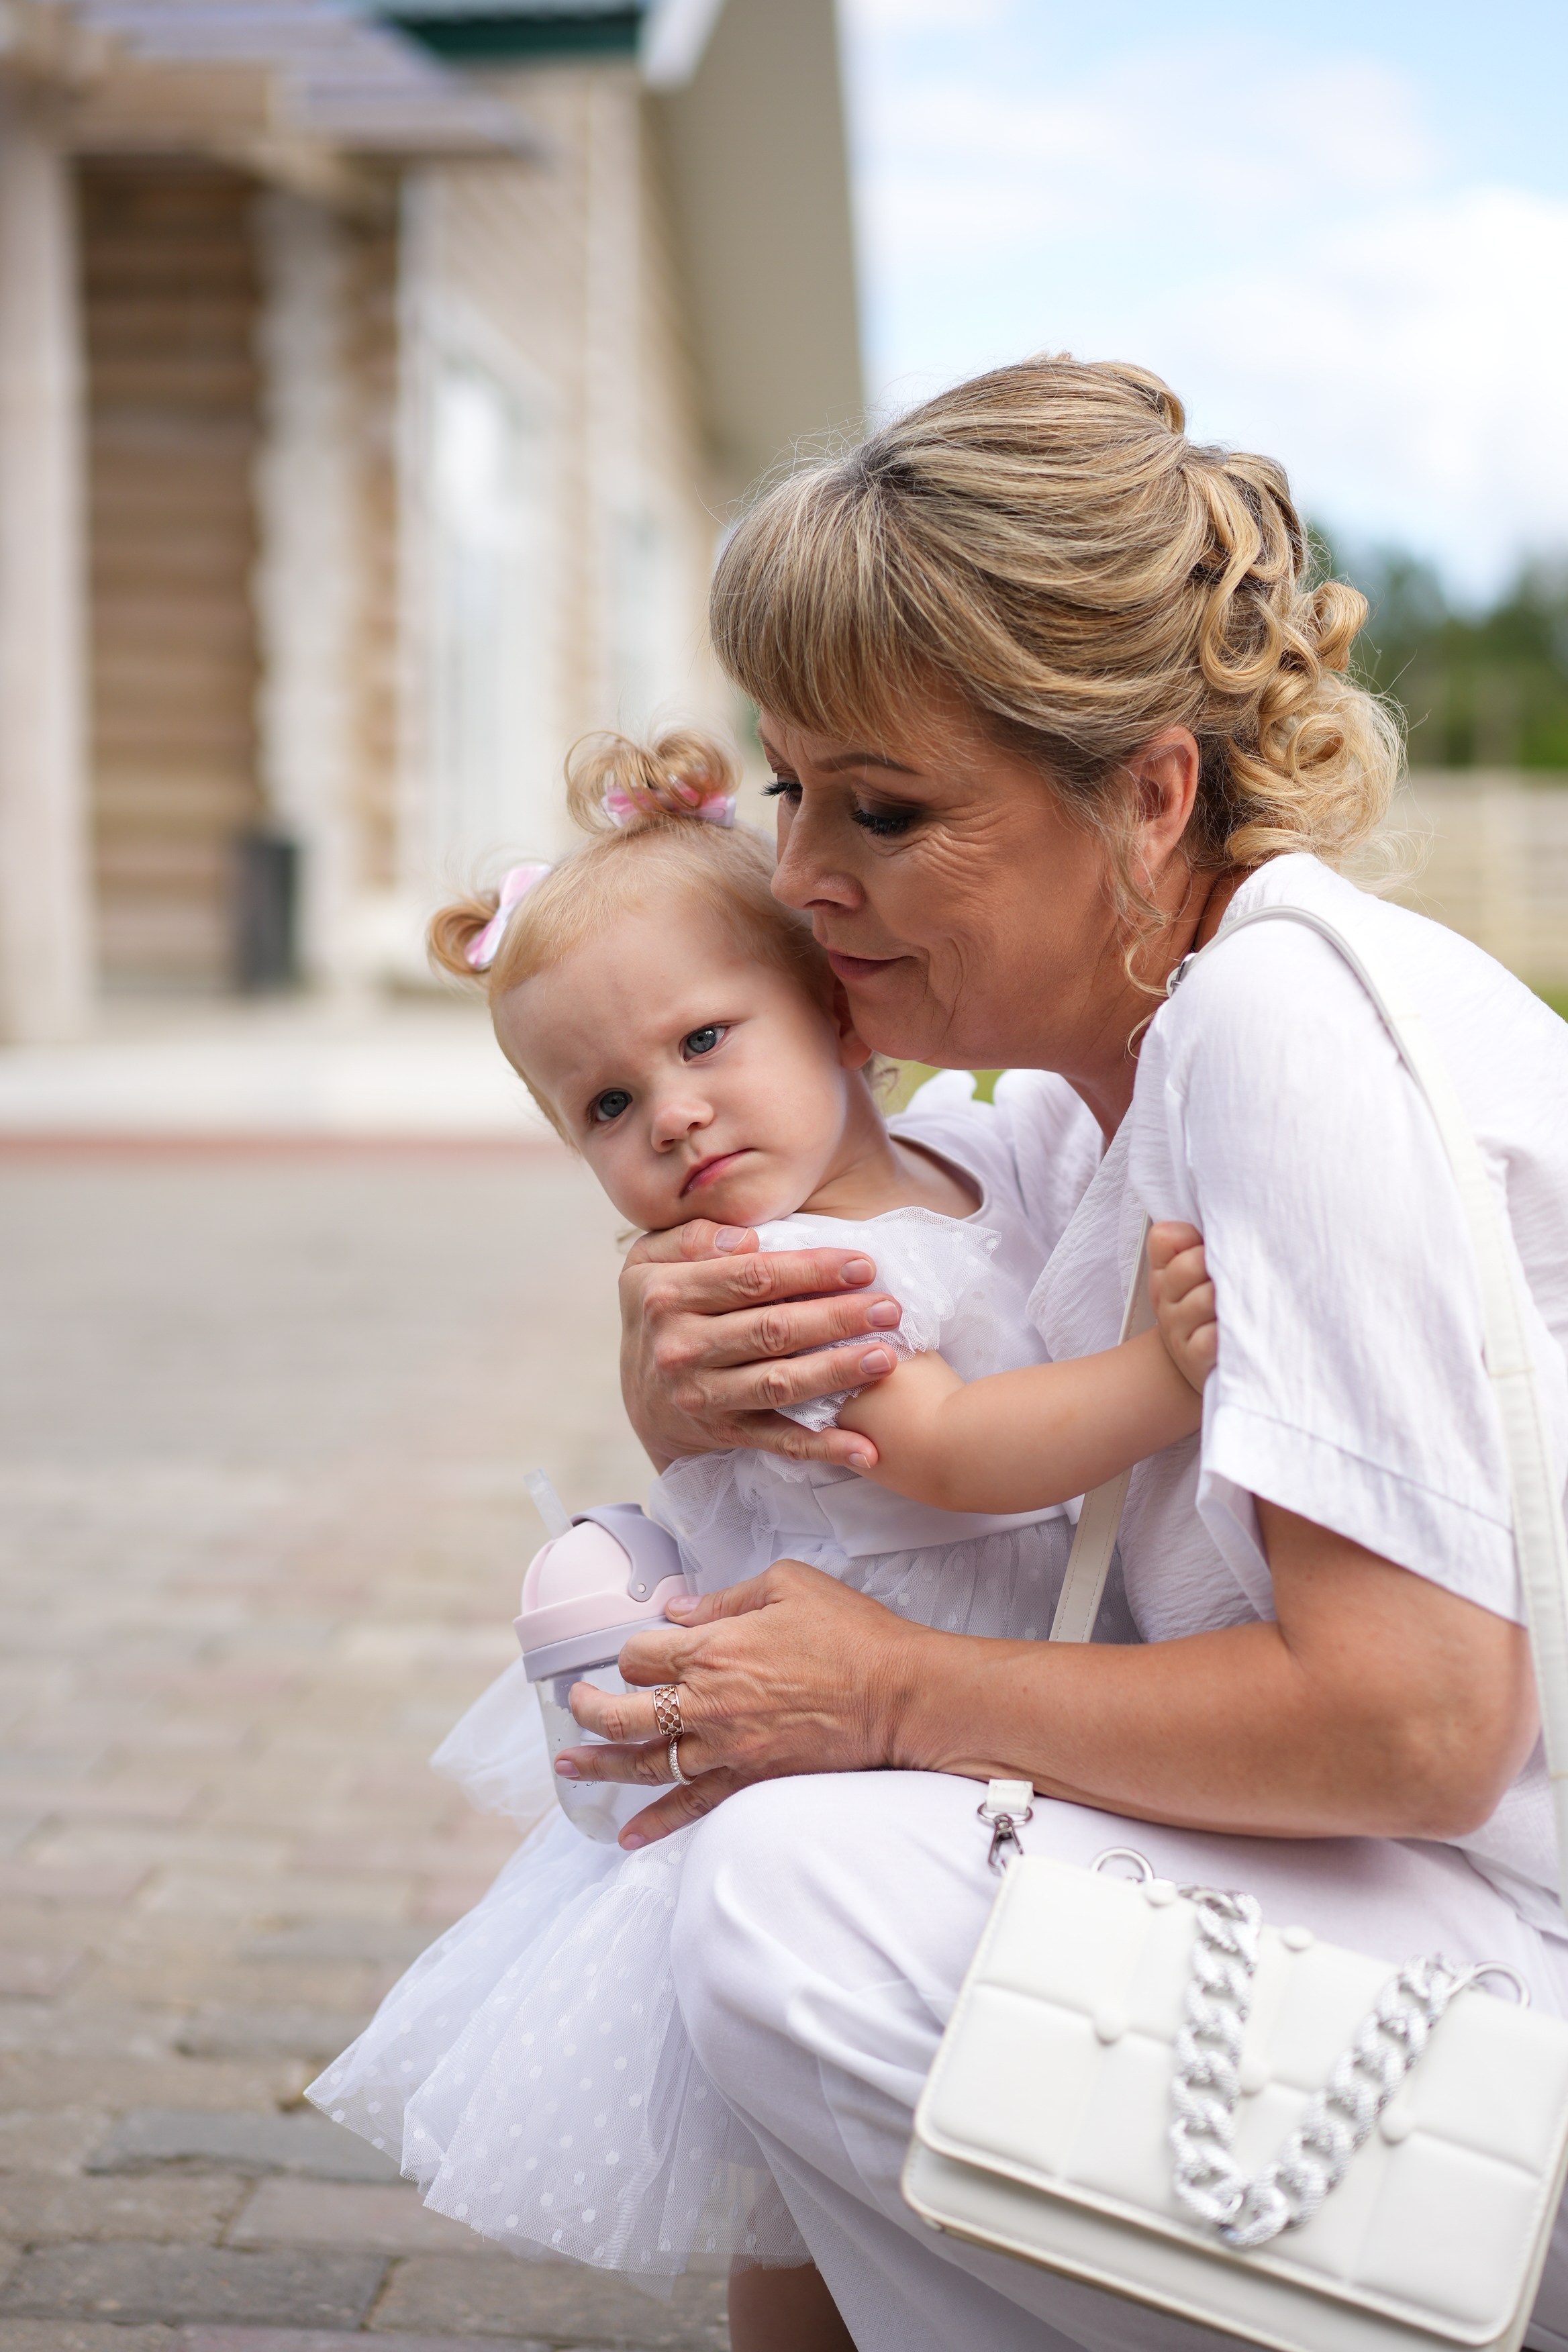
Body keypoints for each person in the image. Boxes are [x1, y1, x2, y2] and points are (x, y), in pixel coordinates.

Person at [556, 356, 1568, 2352]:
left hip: (1496, 2048)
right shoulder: (1064, 1105)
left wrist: (898, 1694)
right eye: (794, 789)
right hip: (1405, 1947)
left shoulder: (1288, 1039)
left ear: (1151, 791)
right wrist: (679, 1370)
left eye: (890, 808)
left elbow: (1424, 1733)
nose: (803, 876)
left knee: (781, 1896)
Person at [303, 724, 1213, 2349]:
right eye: (605, 1102)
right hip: (840, 1764)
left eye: (706, 1040)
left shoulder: (960, 1163)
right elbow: (953, 1459)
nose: (673, 1118)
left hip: (953, 1724)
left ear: (834, 1006)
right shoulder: (780, 1272)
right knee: (801, 2204)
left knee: (913, 2155)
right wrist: (1154, 1376)